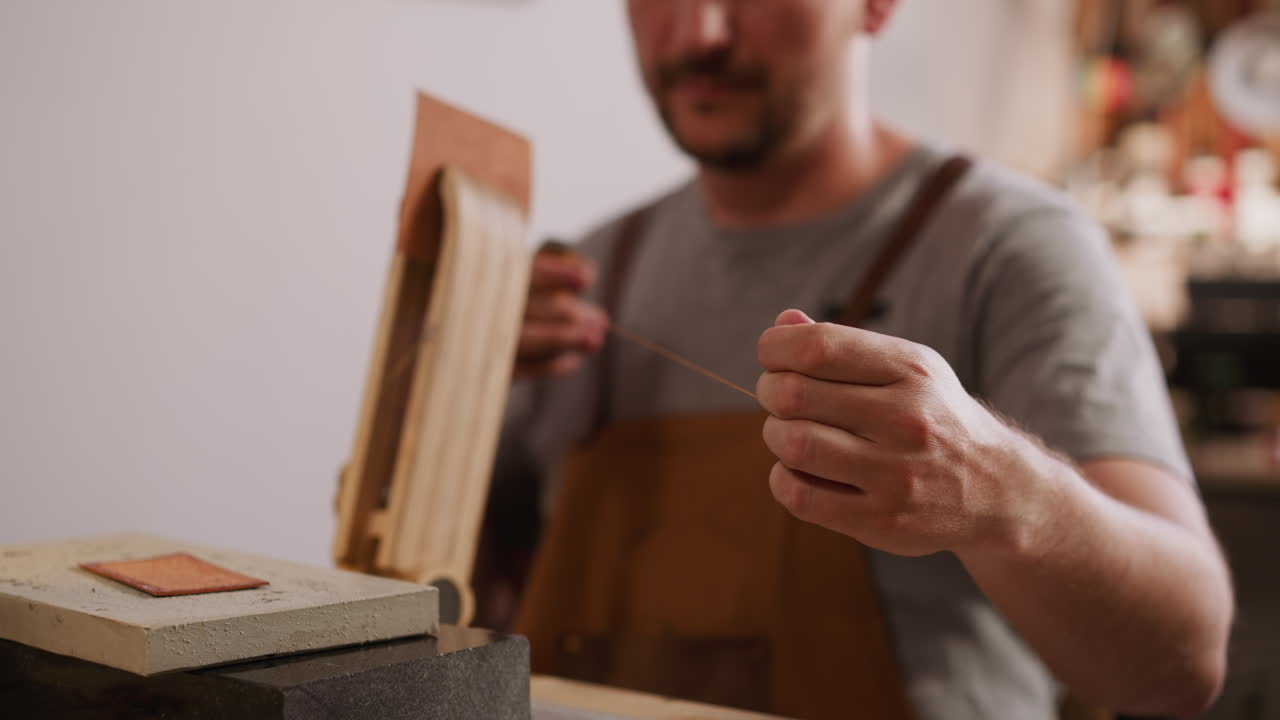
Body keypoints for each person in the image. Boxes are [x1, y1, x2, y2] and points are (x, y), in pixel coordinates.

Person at [487, 1, 1234, 718]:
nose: (697, 32)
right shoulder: (583, 275)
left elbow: (1184, 661)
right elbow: (441, 595)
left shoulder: (1012, 248)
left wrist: (1007, 496)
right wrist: (446, 383)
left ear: (877, 5)